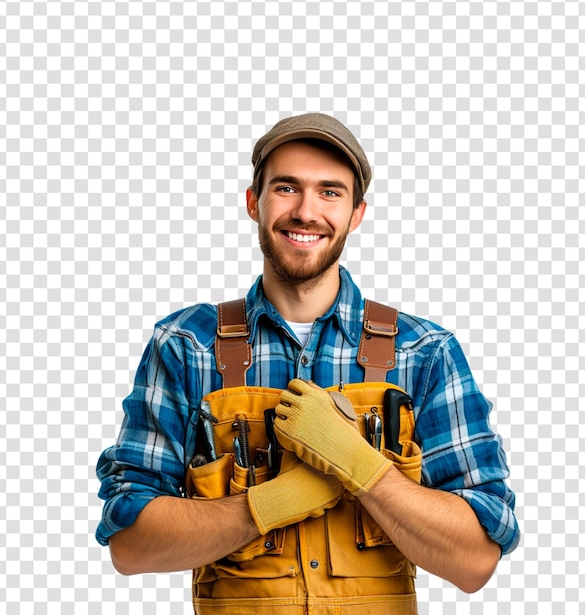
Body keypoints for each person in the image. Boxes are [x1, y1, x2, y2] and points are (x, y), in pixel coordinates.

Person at [96, 113, 520, 614]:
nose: (306, 210)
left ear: (356, 213)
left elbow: (474, 562)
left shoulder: (423, 353)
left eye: (330, 192)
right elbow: (131, 545)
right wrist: (272, 503)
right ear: (254, 202)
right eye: (286, 188)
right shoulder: (187, 346)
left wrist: (360, 466)